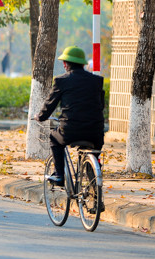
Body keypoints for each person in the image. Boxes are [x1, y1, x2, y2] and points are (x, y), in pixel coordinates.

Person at [34, 46, 105, 185]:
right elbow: (101, 106)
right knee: (94, 149)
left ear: (66, 64)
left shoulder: (62, 81)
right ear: (83, 64)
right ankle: (93, 179)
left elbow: (50, 105)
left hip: (70, 130)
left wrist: (40, 117)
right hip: (95, 131)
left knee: (54, 138)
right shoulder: (97, 81)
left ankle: (59, 175)